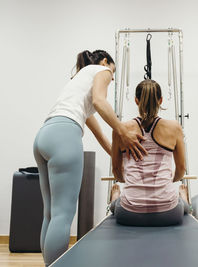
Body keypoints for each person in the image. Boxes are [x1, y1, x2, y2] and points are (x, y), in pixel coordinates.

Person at [33, 50, 147, 266]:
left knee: (51, 214)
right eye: (113, 75)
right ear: (106, 62)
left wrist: (118, 158)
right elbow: (100, 100)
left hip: (44, 135)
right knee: (63, 215)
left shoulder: (78, 81)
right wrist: (124, 131)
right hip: (64, 136)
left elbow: (100, 135)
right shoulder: (101, 70)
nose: (110, 79)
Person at [110, 79, 190, 226]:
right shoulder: (174, 127)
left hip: (129, 215)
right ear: (160, 100)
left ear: (136, 100)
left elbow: (116, 171)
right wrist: (164, 183)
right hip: (169, 213)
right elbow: (181, 170)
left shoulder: (121, 129)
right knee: (183, 206)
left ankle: (116, 198)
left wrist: (125, 181)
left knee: (116, 205)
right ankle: (183, 198)